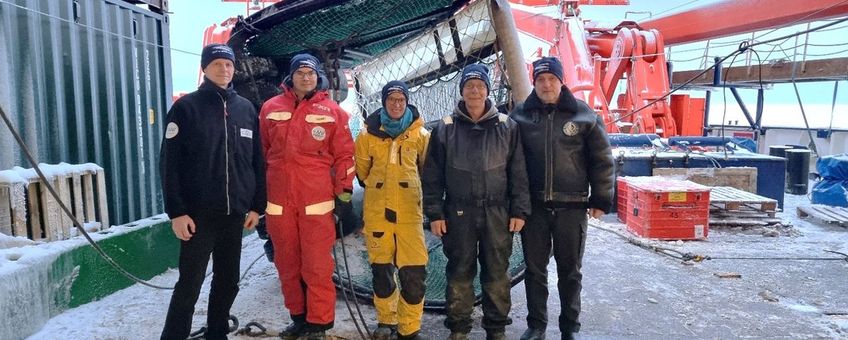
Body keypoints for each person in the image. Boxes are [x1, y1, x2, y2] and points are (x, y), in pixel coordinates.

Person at [159, 43, 266, 340]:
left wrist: (257, 206)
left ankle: (217, 333)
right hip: (197, 215)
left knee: (228, 281)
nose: (224, 69)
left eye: (229, 64)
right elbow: (169, 164)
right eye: (217, 64)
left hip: (234, 215)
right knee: (190, 283)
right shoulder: (186, 108)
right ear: (205, 68)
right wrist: (177, 212)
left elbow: (257, 161)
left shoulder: (245, 109)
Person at [422, 64, 531, 340]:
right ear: (462, 91)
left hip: (497, 212)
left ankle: (496, 329)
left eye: (480, 85)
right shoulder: (444, 129)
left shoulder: (508, 127)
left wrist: (519, 210)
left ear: (487, 90)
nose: (474, 90)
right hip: (459, 213)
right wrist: (435, 213)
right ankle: (458, 328)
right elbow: (432, 177)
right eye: (469, 85)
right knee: (459, 271)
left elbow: (518, 173)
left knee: (496, 273)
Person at [510, 56, 614, 340]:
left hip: (573, 207)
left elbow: (602, 160)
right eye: (540, 80)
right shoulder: (520, 116)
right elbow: (512, 164)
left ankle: (570, 327)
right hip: (535, 209)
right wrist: (515, 205)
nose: (546, 85)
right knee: (535, 271)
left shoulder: (583, 115)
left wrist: (601, 199)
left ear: (561, 81)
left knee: (570, 272)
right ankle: (536, 326)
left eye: (551, 79)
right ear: (534, 83)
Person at [258, 53, 355, 340]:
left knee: (317, 266)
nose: (305, 77)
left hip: (317, 201)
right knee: (287, 264)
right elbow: (262, 154)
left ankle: (319, 325)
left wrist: (344, 194)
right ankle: (298, 319)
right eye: (300, 72)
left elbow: (345, 156)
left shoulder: (333, 112)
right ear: (291, 76)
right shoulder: (269, 108)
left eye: (310, 73)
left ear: (317, 77)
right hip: (279, 203)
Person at [354, 80, 430, 340]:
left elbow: (426, 170)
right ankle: (387, 320)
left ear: (407, 102)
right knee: (382, 271)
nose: (396, 104)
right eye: (391, 99)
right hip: (377, 215)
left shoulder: (421, 135)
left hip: (410, 215)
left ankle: (410, 327)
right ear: (384, 102)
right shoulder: (366, 135)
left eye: (401, 100)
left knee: (414, 272)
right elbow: (362, 173)